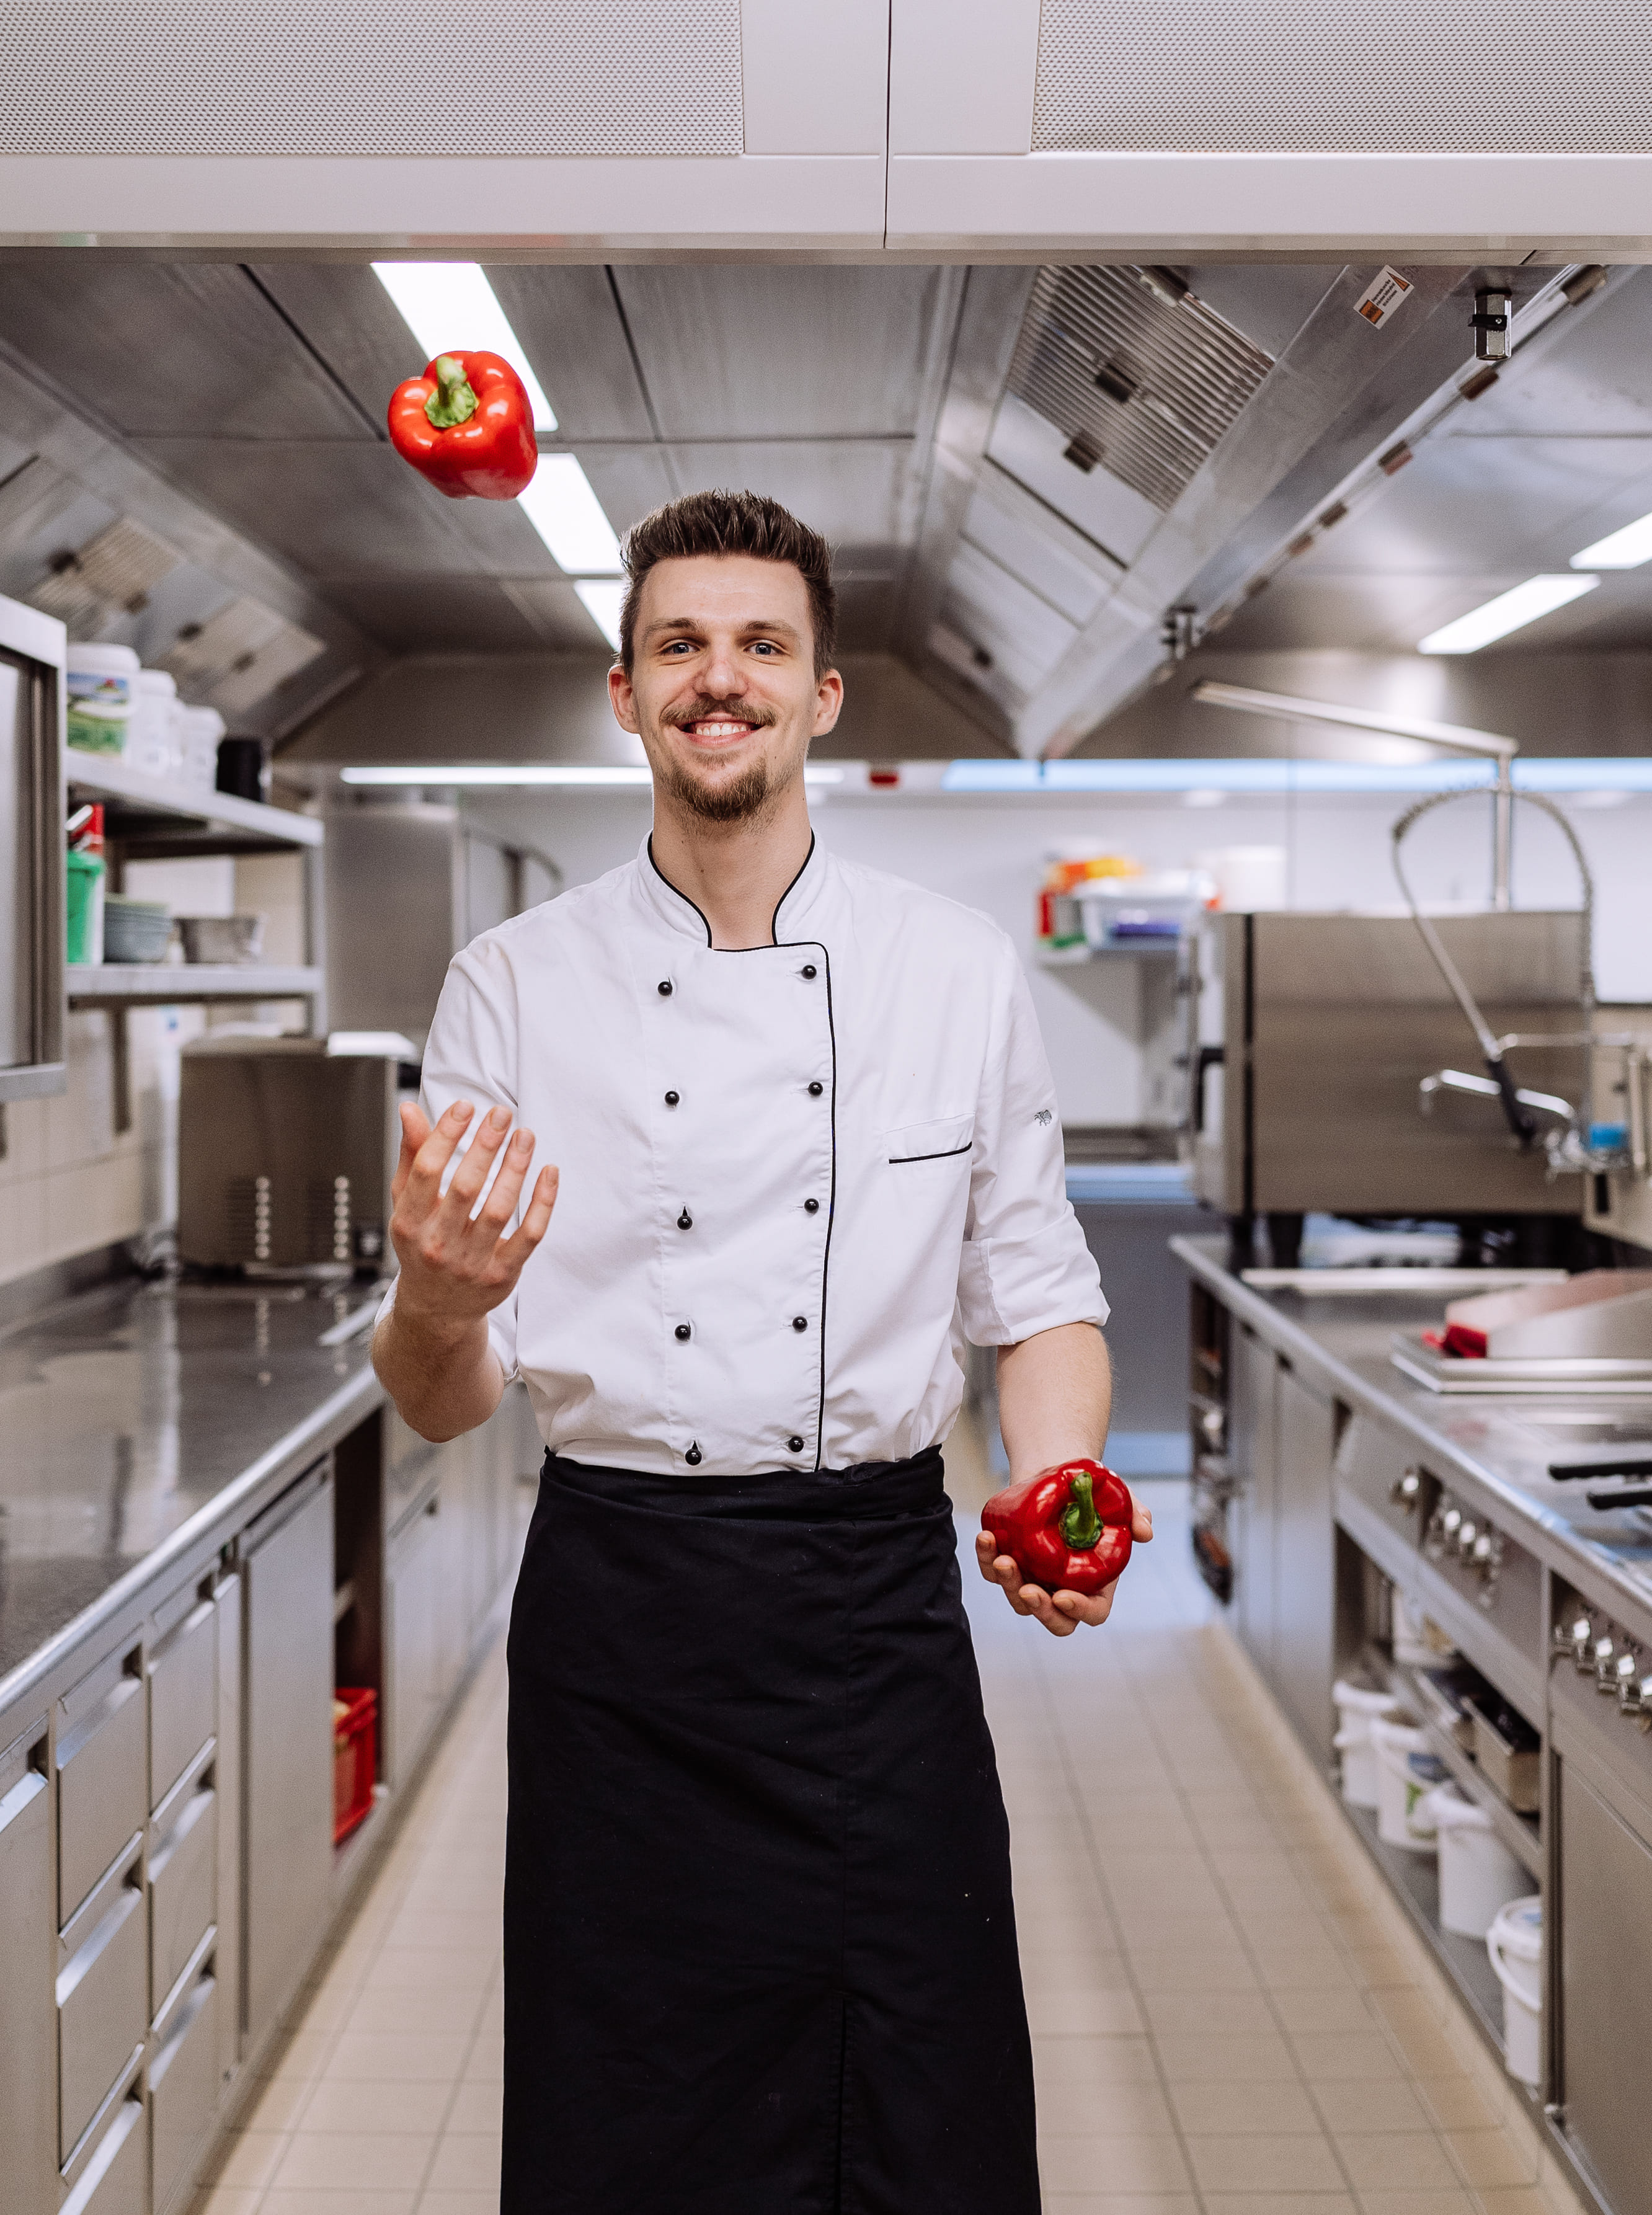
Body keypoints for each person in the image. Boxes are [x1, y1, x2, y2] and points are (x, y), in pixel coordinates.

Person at [372, 489, 1149, 2215]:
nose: (719, 678)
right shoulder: (512, 986)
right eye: (680, 645)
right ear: (626, 692)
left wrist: (1061, 1471)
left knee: (921, 2112)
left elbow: (1036, 1296)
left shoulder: (952, 974)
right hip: (623, 1613)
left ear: (822, 695)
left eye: (759, 646)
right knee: (626, 2115)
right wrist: (432, 1302)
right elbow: (444, 1397)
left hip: (874, 1608)